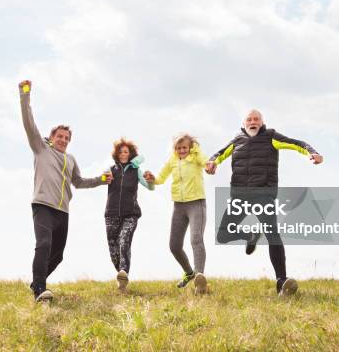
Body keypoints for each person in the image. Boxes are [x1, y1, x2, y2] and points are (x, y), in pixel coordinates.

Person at [206, 109, 323, 296]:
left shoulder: (271, 136)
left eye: (256, 119)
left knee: (272, 235)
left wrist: (312, 152)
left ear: (262, 122)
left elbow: (297, 144)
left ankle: (282, 282)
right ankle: (250, 236)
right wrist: (212, 162)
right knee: (223, 235)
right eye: (249, 119)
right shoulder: (237, 140)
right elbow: (218, 155)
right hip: (240, 196)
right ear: (244, 123)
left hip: (263, 194)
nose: (253, 122)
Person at [19, 80, 112, 302]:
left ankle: (36, 280)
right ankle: (39, 290)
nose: (63, 140)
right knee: (43, 244)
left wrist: (101, 179)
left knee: (58, 255)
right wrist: (25, 95)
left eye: (67, 138)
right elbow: (29, 124)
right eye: (60, 136)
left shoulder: (70, 159)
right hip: (43, 205)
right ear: (52, 138)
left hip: (63, 211)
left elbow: (78, 182)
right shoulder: (40, 149)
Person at [144, 134, 209, 294]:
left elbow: (205, 162)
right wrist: (153, 178)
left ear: (191, 147)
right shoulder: (172, 160)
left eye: (185, 147)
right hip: (178, 206)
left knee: (196, 239)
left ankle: (200, 279)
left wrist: (204, 159)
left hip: (196, 204)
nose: (182, 150)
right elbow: (161, 178)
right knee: (174, 246)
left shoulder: (196, 157)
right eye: (179, 148)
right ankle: (189, 273)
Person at [104, 138, 154, 293]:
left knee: (124, 241)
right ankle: (122, 277)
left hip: (130, 214)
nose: (123, 154)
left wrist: (150, 180)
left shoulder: (136, 170)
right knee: (114, 249)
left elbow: (150, 187)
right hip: (111, 213)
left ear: (131, 154)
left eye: (126, 152)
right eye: (120, 152)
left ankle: (124, 271)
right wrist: (104, 178)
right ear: (116, 154)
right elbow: (103, 179)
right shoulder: (111, 169)